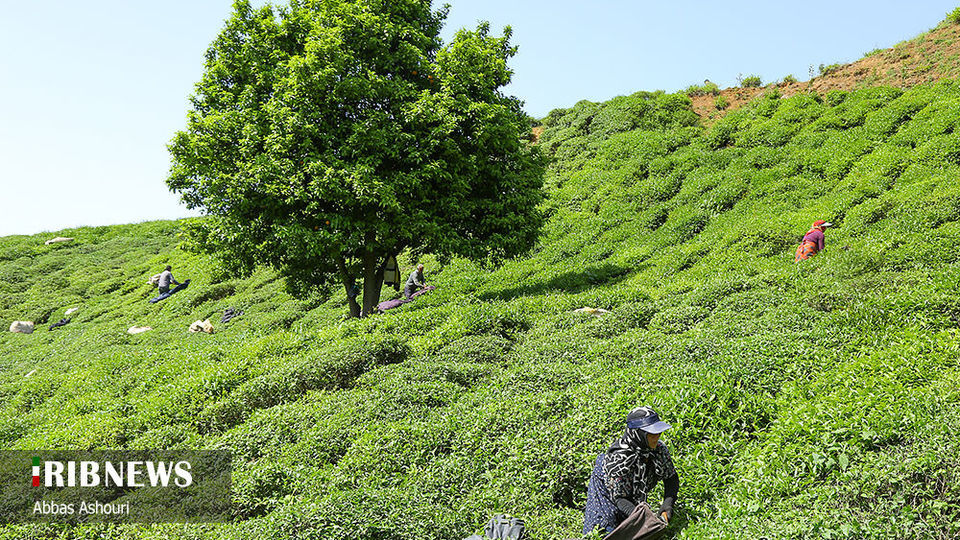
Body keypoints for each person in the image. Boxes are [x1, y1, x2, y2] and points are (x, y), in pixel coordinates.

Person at [582, 406, 679, 537]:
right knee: (604, 531)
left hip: (628, 495)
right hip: (607, 491)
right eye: (651, 434)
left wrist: (668, 504)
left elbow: (671, 478)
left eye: (658, 432)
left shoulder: (658, 449)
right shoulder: (619, 459)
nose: (656, 437)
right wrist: (643, 518)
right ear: (638, 434)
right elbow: (620, 499)